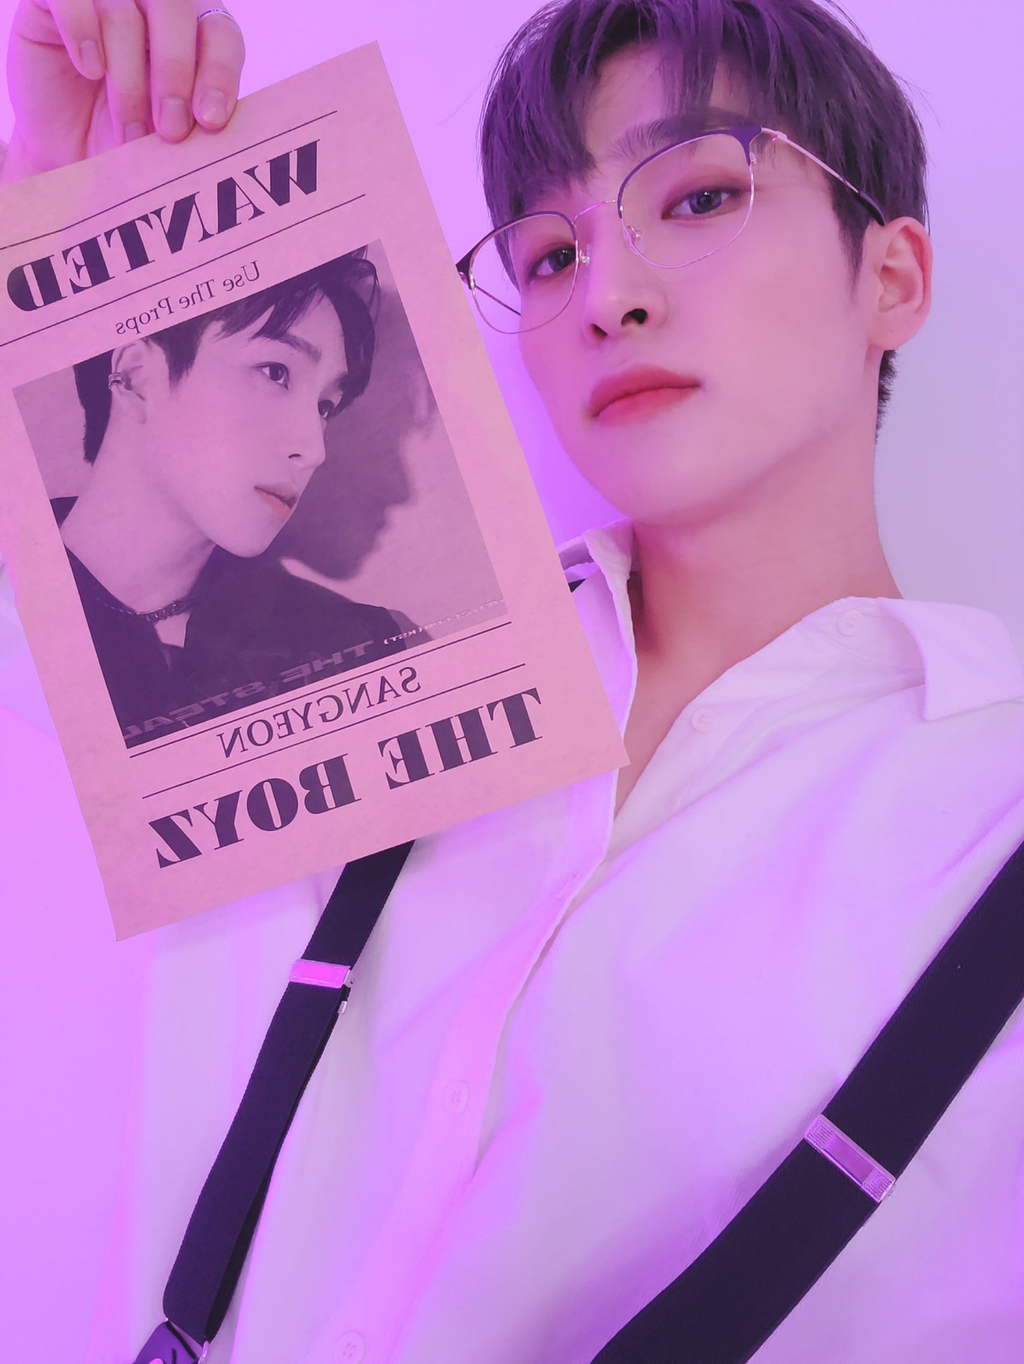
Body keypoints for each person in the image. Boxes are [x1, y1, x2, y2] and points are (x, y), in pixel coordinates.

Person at [1, 2, 1022, 1363]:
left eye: (700, 195)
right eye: (549, 254)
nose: (606, 296)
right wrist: (59, 196)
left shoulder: (986, 805)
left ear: (889, 277)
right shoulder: (333, 659)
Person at [50, 256, 411, 747]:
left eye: (325, 407)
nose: (314, 449)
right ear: (135, 376)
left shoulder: (344, 647)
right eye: (275, 372)